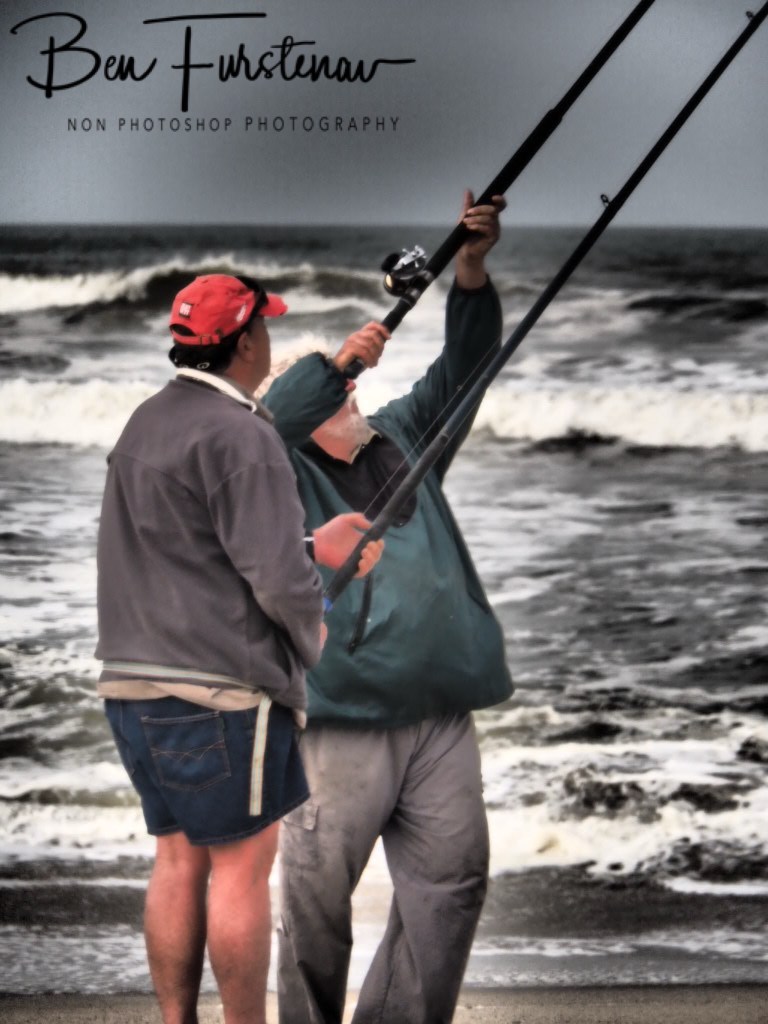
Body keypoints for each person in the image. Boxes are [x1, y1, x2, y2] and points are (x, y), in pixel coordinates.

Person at [95, 273, 383, 1024]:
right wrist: (313, 640)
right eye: (267, 331)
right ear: (247, 340)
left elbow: (191, 543)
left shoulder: (145, 422)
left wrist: (308, 543)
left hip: (130, 686)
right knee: (241, 870)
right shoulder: (243, 432)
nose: (271, 344)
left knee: (177, 860)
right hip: (220, 695)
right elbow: (280, 584)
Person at [263, 192, 513, 1024]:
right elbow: (265, 425)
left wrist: (470, 270)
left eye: (348, 386)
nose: (351, 396)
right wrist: (337, 362)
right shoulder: (275, 472)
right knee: (315, 906)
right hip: (339, 719)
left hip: (441, 711)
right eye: (331, 391)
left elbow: (468, 364)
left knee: (451, 889)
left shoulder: (405, 436)